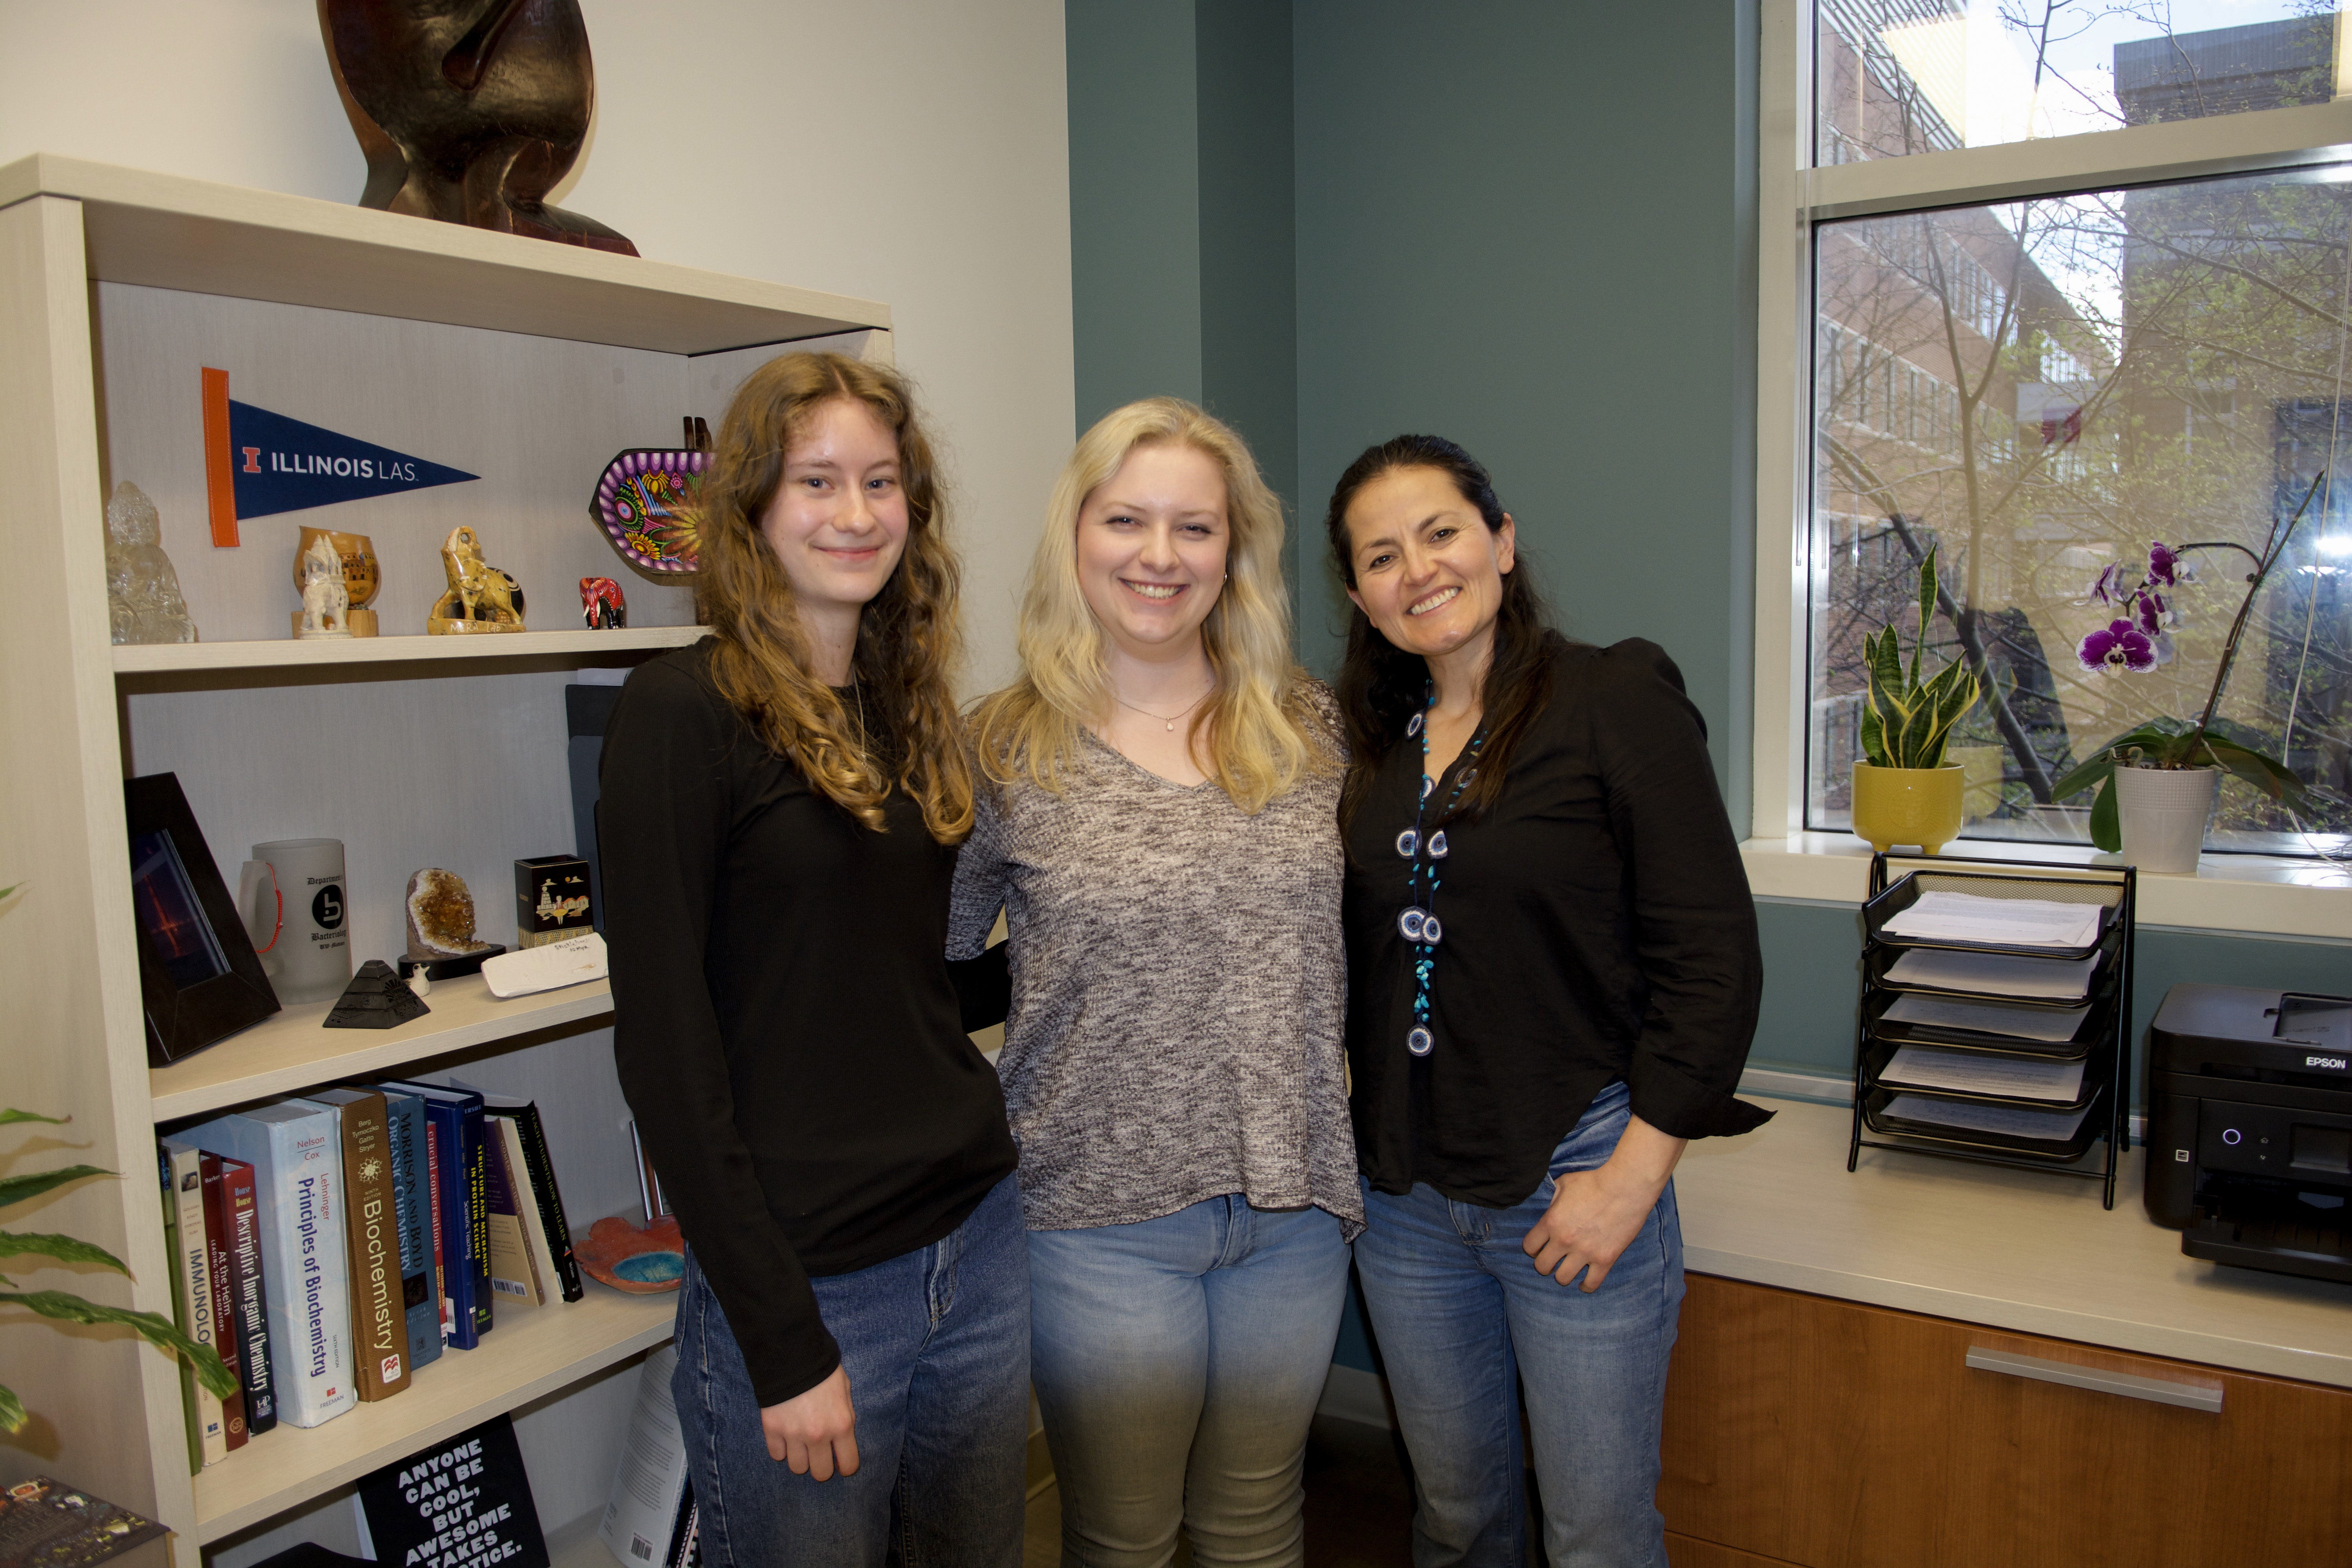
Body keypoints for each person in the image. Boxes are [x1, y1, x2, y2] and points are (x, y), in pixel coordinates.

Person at [602, 351, 1027, 1568]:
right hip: (817, 1285)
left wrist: (1083, 959)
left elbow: (892, 994)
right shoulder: (680, 715)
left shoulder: (903, 713)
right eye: (817, 482)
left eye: (881, 482)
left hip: (978, 1246)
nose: (855, 514)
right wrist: (783, 1342)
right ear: (752, 508)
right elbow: (669, 1052)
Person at [1323, 435, 1768, 1568]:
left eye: (1441, 533)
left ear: (1503, 542)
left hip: (1577, 1179)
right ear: (1359, 598)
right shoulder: (1369, 749)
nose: (1417, 570)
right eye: (1381, 556)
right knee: (1459, 1519)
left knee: (1597, 1535)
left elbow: (1713, 958)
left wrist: (1632, 1179)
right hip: (1410, 1203)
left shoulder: (1612, 698)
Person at [950, 398, 1359, 1568]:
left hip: (1293, 1207)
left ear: (1235, 552)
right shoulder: (1001, 747)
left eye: (1195, 527)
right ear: (1075, 537)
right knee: (1123, 1541)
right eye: (1127, 520)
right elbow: (928, 969)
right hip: (1095, 1223)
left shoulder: (1311, 730)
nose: (1160, 556)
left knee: (1256, 1527)